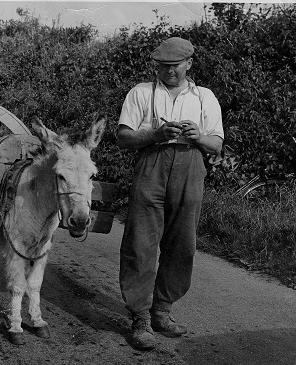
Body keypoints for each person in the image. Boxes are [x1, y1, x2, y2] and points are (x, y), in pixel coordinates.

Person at [116, 37, 224, 351]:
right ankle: (140, 319)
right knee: (141, 242)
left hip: (190, 167)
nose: (169, 72)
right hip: (151, 165)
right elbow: (123, 137)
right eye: (163, 66)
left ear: (189, 63)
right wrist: (155, 134)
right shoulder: (140, 92)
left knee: (182, 243)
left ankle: (162, 311)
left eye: (174, 66)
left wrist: (198, 137)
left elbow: (216, 144)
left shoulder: (204, 97)